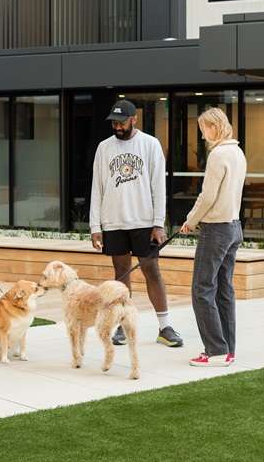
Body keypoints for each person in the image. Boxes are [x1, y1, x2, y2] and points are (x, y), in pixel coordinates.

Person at [90, 99, 183, 348]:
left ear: (134, 119)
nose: (117, 127)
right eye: (114, 123)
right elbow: (96, 188)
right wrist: (95, 226)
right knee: (121, 274)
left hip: (144, 222)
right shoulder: (104, 147)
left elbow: (159, 187)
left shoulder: (150, 145)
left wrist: (158, 223)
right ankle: (121, 325)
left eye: (121, 122)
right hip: (113, 221)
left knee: (151, 270)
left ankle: (165, 327)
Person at [180, 107, 246, 367]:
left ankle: (215, 350)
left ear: (214, 127)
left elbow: (208, 195)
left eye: (203, 129)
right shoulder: (238, 152)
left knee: (202, 289)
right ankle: (228, 349)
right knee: (224, 289)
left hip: (216, 229)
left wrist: (190, 221)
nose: (202, 134)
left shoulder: (219, 154)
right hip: (234, 226)